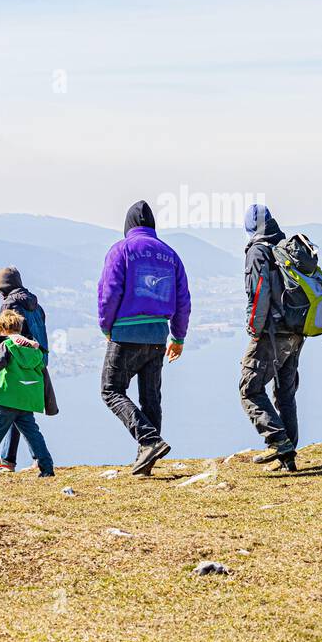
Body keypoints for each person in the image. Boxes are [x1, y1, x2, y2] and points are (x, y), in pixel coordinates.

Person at [97, 200, 192, 476]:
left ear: (128, 225)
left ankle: (149, 441)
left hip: (126, 333)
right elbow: (183, 299)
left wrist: (106, 327)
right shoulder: (170, 254)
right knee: (151, 397)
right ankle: (146, 461)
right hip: (158, 336)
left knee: (111, 390)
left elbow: (109, 293)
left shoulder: (121, 250)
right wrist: (179, 336)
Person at [238, 204, 301, 471]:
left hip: (271, 333)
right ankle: (289, 458)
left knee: (249, 388)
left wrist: (254, 329)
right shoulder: (286, 248)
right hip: (296, 332)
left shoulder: (258, 252)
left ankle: (278, 441)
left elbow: (259, 293)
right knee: (284, 393)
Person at [0, 310, 56, 477]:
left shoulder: (7, 346)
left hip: (7, 399)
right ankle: (47, 467)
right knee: (33, 434)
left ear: (1, 329)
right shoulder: (35, 349)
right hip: (27, 400)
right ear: (20, 327)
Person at [0, 266, 56, 472]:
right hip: (37, 360)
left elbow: (5, 338)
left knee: (12, 405)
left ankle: (9, 460)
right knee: (20, 408)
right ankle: (13, 459)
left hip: (17, 362)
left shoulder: (10, 304)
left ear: (2, 288)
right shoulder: (36, 305)